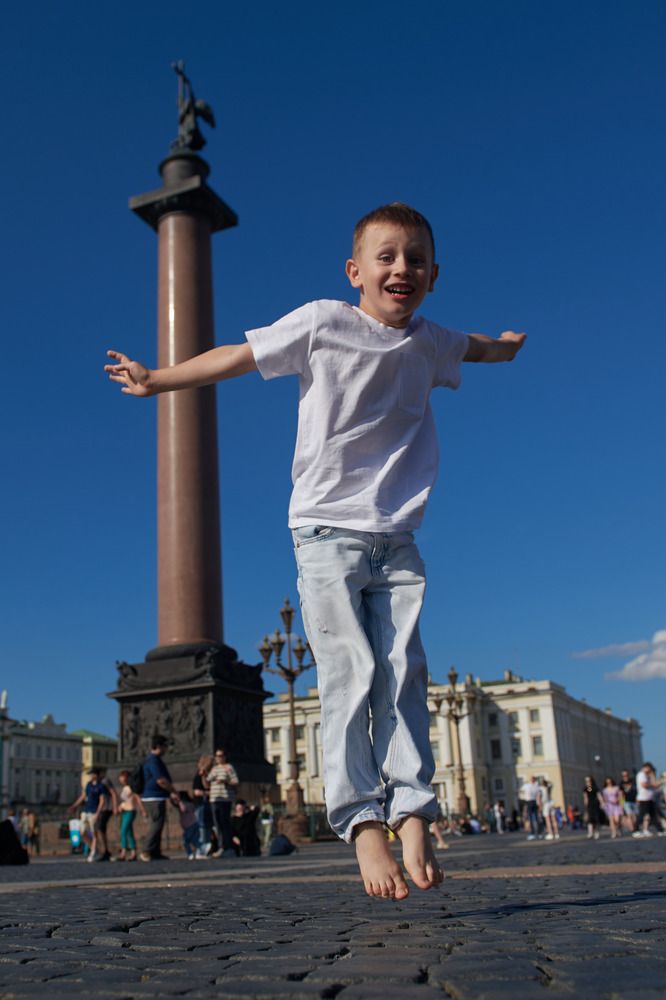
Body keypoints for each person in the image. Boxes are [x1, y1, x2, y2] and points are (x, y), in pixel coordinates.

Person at [105, 201, 526, 900]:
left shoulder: (430, 341)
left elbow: (473, 345)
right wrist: (158, 380)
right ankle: (363, 824)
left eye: (415, 259)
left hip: (398, 536)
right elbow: (239, 355)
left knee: (404, 674)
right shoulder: (323, 322)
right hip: (326, 531)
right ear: (354, 271)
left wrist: (504, 348)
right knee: (348, 673)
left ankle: (414, 809)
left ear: (434, 275)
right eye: (386, 257)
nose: (402, 268)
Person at [139, 735, 179, 861]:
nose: (166, 749)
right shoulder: (153, 760)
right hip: (154, 796)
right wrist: (173, 790)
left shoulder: (151, 759)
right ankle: (146, 850)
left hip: (153, 796)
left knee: (157, 824)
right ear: (159, 746)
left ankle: (155, 851)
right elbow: (160, 780)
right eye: (165, 746)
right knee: (156, 825)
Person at [68, 768, 107, 861]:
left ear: (96, 775)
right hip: (86, 810)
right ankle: (94, 848)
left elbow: (102, 800)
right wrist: (74, 805)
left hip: (94, 811)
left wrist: (98, 812)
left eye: (91, 774)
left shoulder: (101, 786)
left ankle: (93, 852)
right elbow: (83, 796)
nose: (90, 776)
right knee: (82, 832)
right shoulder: (89, 785)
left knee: (94, 833)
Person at [207, 748, 239, 857]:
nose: (218, 758)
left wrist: (226, 781)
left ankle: (227, 847)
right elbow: (208, 781)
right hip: (214, 799)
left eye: (220, 756)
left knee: (225, 823)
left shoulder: (229, 767)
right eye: (217, 756)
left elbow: (235, 781)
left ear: (225, 757)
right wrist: (203, 774)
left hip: (225, 799)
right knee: (217, 824)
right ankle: (221, 846)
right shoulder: (214, 769)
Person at [115, 769, 146, 861]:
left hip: (130, 811)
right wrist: (120, 806)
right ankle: (133, 852)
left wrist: (143, 810)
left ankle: (124, 852)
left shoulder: (132, 787)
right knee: (129, 833)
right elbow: (125, 800)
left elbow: (138, 799)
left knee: (123, 831)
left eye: (122, 777)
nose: (120, 779)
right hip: (124, 811)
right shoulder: (125, 788)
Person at [192, 754, 214, 857]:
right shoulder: (198, 776)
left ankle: (206, 848)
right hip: (201, 804)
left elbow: (206, 786)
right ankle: (201, 849)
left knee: (208, 827)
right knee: (202, 827)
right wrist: (209, 793)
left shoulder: (206, 776)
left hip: (206, 804)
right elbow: (197, 792)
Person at [633, 762, 661, 837]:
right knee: (641, 815)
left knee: (653, 815)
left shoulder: (647, 775)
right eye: (650, 769)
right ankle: (635, 830)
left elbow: (654, 784)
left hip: (649, 798)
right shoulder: (641, 774)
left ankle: (660, 830)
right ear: (646, 767)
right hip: (643, 799)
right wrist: (653, 784)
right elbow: (644, 785)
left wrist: (652, 775)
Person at [177, 791, 201, 859]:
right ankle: (200, 851)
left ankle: (190, 853)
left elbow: (183, 809)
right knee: (194, 840)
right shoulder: (191, 804)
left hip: (189, 825)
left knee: (185, 841)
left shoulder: (185, 804)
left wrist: (179, 802)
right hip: (193, 824)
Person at [520, 776, 542, 840]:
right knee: (536, 818)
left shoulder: (526, 785)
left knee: (531, 819)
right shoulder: (536, 786)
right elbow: (538, 796)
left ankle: (532, 833)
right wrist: (539, 804)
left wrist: (523, 798)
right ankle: (539, 833)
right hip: (534, 802)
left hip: (529, 802)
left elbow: (521, 792)